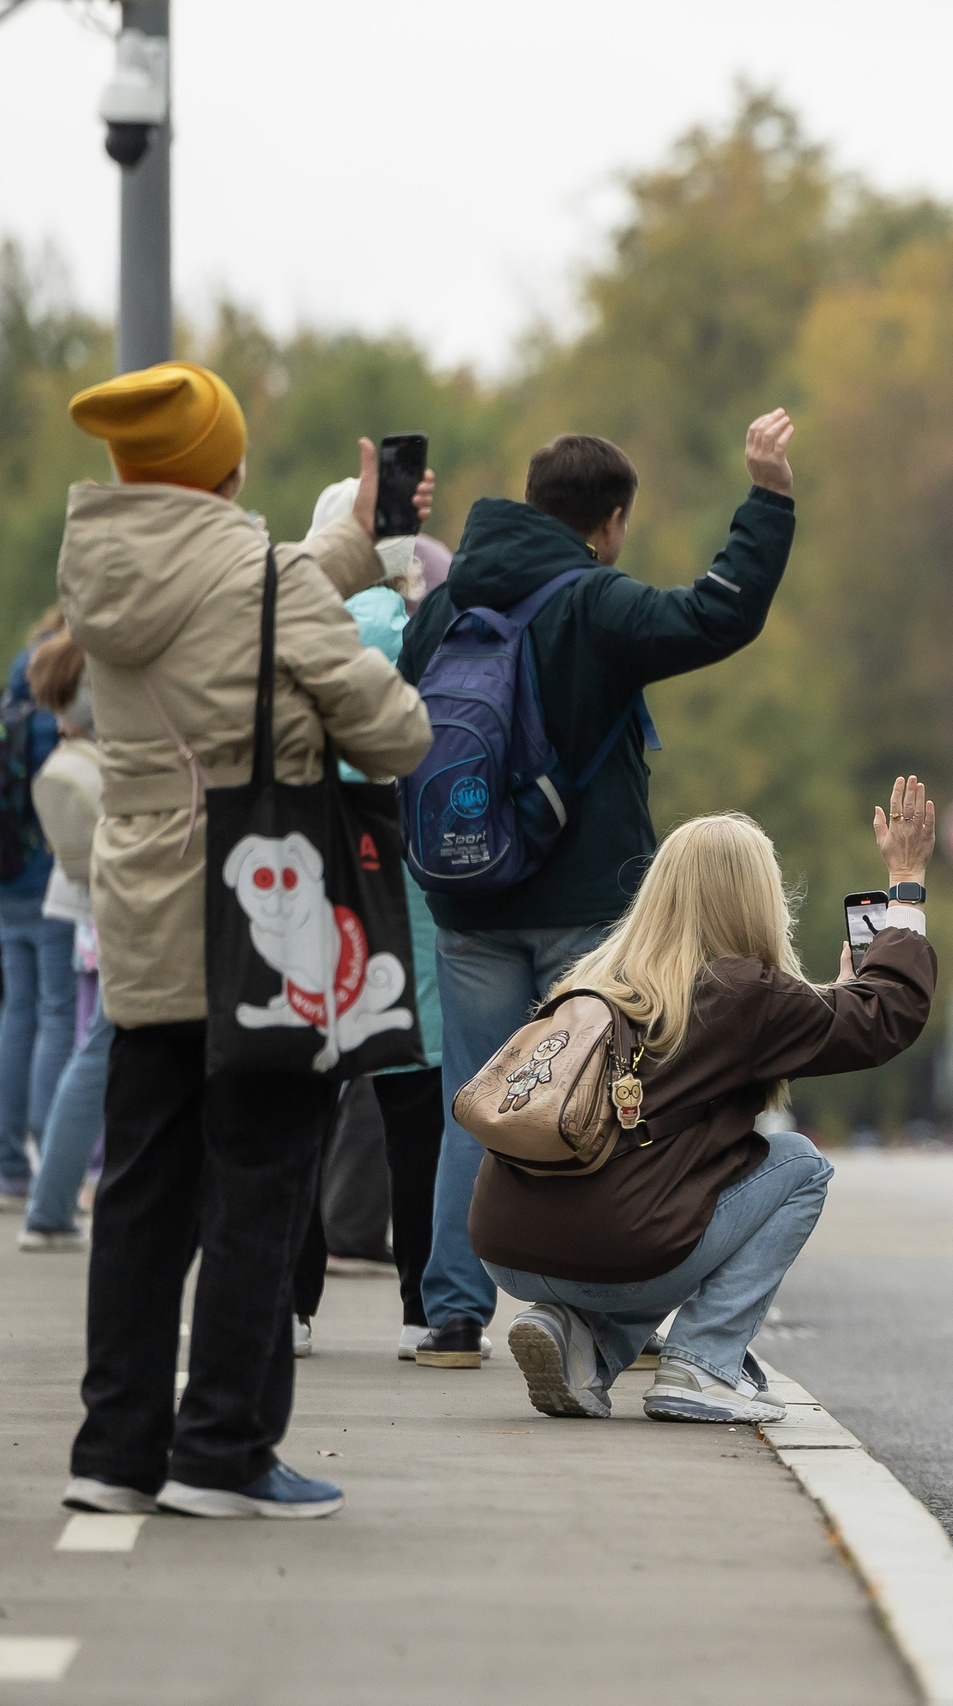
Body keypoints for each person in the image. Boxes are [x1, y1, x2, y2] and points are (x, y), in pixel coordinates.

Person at [58, 360, 433, 1519]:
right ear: (225, 465)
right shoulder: (264, 579)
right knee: (261, 1182)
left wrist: (349, 543)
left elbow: (243, 595)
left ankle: (115, 1451)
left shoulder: (100, 572)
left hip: (144, 912)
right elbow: (396, 731)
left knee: (141, 1192)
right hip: (262, 923)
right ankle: (221, 1448)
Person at [397, 413, 798, 1371]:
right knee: (605, 1096)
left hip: (467, 895)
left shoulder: (444, 609)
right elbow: (717, 615)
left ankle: (451, 1317)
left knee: (476, 1099)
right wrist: (768, 499)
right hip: (590, 908)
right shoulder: (596, 602)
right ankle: (598, 1306)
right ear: (609, 521)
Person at [481, 794, 936, 1423]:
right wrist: (905, 887)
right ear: (754, 901)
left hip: (508, 1248)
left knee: (659, 1202)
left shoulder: (591, 977)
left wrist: (830, 996)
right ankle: (702, 1364)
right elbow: (885, 1016)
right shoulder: (741, 991)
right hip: (613, 1254)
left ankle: (581, 1337)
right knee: (799, 1164)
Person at [285, 478, 452, 1358]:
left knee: (305, 1098)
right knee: (413, 1108)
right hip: (407, 879)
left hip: (313, 869)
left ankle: (293, 1300)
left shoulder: (291, 629)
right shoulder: (420, 633)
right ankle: (427, 1305)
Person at [17, 634, 103, 1252]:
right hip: (114, 911)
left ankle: (50, 1202)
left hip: (82, 912)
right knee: (95, 1043)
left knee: (81, 1035)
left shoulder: (61, 741)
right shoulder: (102, 734)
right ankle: (49, 1207)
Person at [0, 611, 73, 1208]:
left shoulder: (18, 683)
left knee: (16, 1013)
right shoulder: (66, 704)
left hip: (6, 879)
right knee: (57, 1015)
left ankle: (7, 1165)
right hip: (50, 881)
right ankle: (53, 1162)